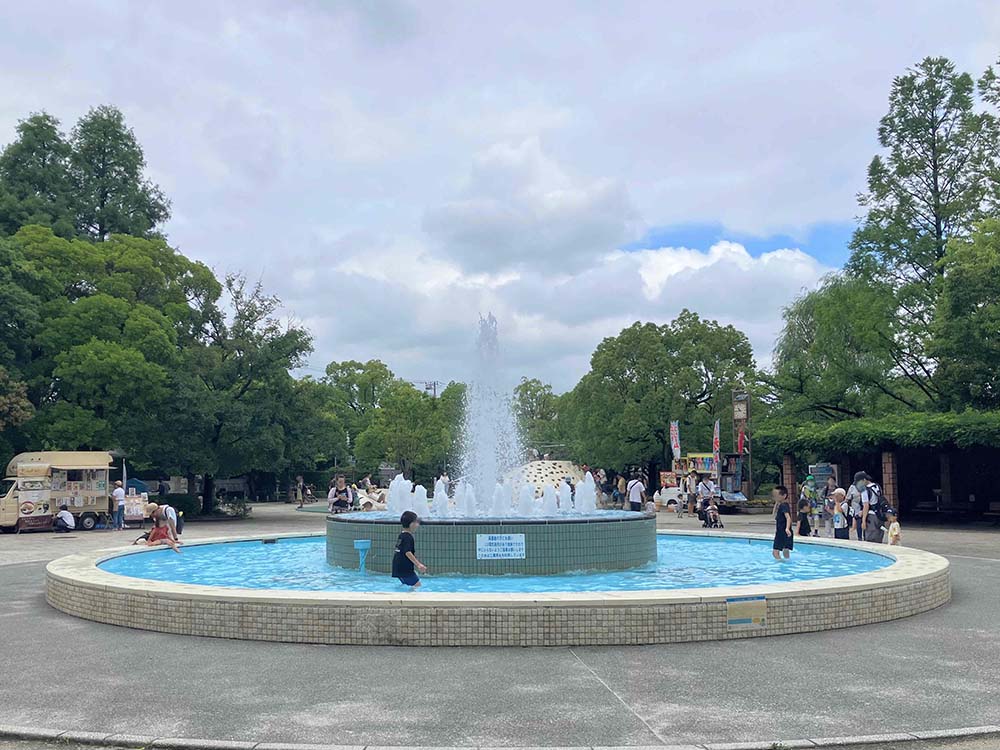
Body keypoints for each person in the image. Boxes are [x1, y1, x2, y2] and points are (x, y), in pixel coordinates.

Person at [391, 510, 426, 588]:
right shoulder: (408, 537)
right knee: (417, 585)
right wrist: (419, 564)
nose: (417, 525)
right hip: (404, 569)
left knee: (406, 585)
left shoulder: (402, 535)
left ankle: (400, 596)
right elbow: (407, 552)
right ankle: (409, 599)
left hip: (397, 567)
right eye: (416, 522)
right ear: (411, 524)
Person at [854, 471, 885, 543]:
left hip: (871, 517)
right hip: (880, 515)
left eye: (859, 482)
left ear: (864, 480)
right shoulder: (877, 486)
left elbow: (866, 506)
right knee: (878, 538)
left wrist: (863, 520)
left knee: (870, 540)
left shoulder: (865, 491)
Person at [772, 486, 793, 560]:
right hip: (785, 532)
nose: (775, 497)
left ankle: (781, 564)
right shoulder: (783, 505)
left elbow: (788, 517)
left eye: (776, 496)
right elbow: (773, 514)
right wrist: (776, 503)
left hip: (782, 532)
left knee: (775, 553)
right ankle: (787, 563)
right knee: (785, 551)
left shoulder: (783, 505)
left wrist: (787, 528)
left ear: (784, 496)